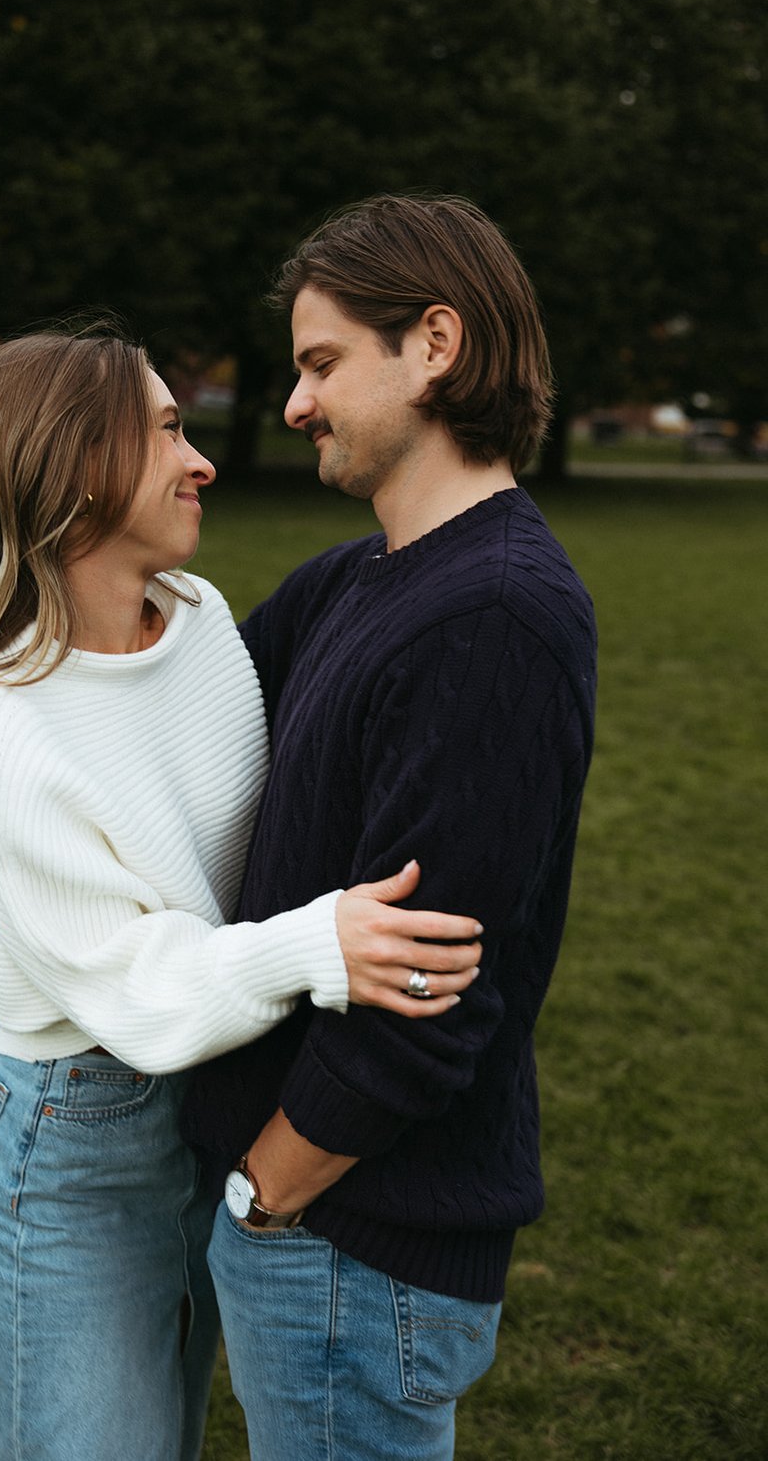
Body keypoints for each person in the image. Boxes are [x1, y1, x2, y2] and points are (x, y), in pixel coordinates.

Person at [0, 327, 484, 1461]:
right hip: (73, 1136)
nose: (203, 459)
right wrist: (311, 945)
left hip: (204, 1103)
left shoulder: (204, 616)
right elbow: (136, 989)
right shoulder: (0, 728)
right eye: (167, 429)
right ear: (75, 465)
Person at [175, 194, 598, 1461]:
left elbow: (431, 986)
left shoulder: (495, 617)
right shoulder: (355, 578)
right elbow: (174, 720)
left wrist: (268, 1194)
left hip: (353, 1237)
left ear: (434, 343)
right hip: (312, 1227)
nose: (295, 404)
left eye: (319, 365)